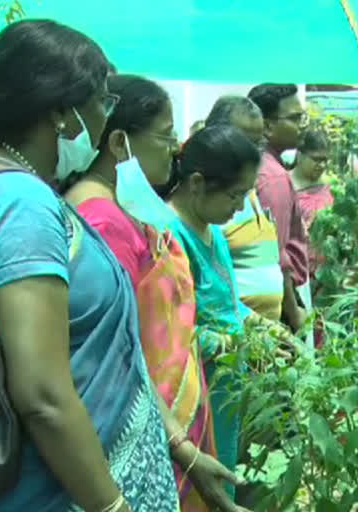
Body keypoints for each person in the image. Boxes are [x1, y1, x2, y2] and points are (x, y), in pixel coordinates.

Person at [0, 20, 179, 511]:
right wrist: (112, 506)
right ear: (60, 111)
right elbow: (43, 395)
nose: (105, 119)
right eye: (102, 102)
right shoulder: (19, 203)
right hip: (50, 489)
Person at [65, 75, 247, 512]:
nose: (175, 148)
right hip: (136, 428)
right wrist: (179, 444)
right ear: (118, 144)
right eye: (166, 136)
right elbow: (119, 348)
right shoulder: (103, 223)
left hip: (159, 422)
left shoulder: (126, 212)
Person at [159, 125, 292, 500]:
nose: (239, 208)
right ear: (197, 183)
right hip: (192, 396)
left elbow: (227, 303)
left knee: (223, 479)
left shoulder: (213, 230)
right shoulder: (169, 236)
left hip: (225, 389)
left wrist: (262, 326)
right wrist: (239, 341)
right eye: (234, 195)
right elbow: (171, 335)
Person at [207, 96, 284, 323]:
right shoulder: (209, 202)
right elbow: (208, 294)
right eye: (242, 143)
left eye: (257, 144)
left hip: (262, 339)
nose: (251, 153)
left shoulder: (247, 190)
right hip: (231, 339)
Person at [247, 84, 310, 333]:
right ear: (268, 125)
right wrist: (294, 313)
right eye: (295, 118)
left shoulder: (262, 167)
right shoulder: (271, 177)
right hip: (279, 306)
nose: (302, 124)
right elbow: (276, 254)